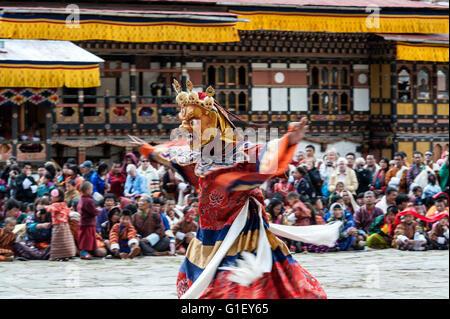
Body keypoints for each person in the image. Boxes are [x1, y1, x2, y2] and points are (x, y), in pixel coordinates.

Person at [132, 82, 327, 299]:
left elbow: (263, 154)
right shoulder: (192, 155)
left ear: (212, 122)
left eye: (193, 121)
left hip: (241, 231)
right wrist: (149, 150)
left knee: (236, 288)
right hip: (208, 233)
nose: (187, 127)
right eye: (185, 122)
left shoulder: (238, 153)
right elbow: (169, 154)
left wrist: (288, 139)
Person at [46, 188, 76, 261]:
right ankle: (67, 254)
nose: (51, 197)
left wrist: (42, 210)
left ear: (58, 197)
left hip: (58, 226)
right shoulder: (64, 204)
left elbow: (49, 209)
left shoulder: (55, 205)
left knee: (57, 241)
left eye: (53, 196)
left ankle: (56, 255)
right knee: (66, 240)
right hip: (65, 226)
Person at [77, 181, 101, 260]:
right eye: (91, 189)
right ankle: (84, 253)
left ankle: (86, 252)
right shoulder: (88, 200)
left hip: (83, 222)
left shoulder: (81, 198)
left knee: (85, 238)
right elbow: (92, 211)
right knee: (86, 239)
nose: (92, 191)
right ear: (87, 190)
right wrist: (99, 210)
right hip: (88, 223)